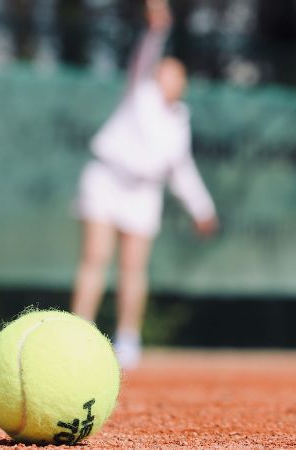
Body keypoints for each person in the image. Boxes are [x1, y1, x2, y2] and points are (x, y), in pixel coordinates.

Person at [71, 0, 218, 370]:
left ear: (182, 83)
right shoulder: (140, 90)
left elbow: (181, 169)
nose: (169, 77)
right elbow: (146, 51)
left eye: (176, 74)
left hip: (143, 193)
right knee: (95, 258)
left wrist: (202, 210)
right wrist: (157, 27)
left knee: (133, 269)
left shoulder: (180, 119)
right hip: (106, 180)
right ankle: (77, 334)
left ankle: (127, 340)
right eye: (164, 71)